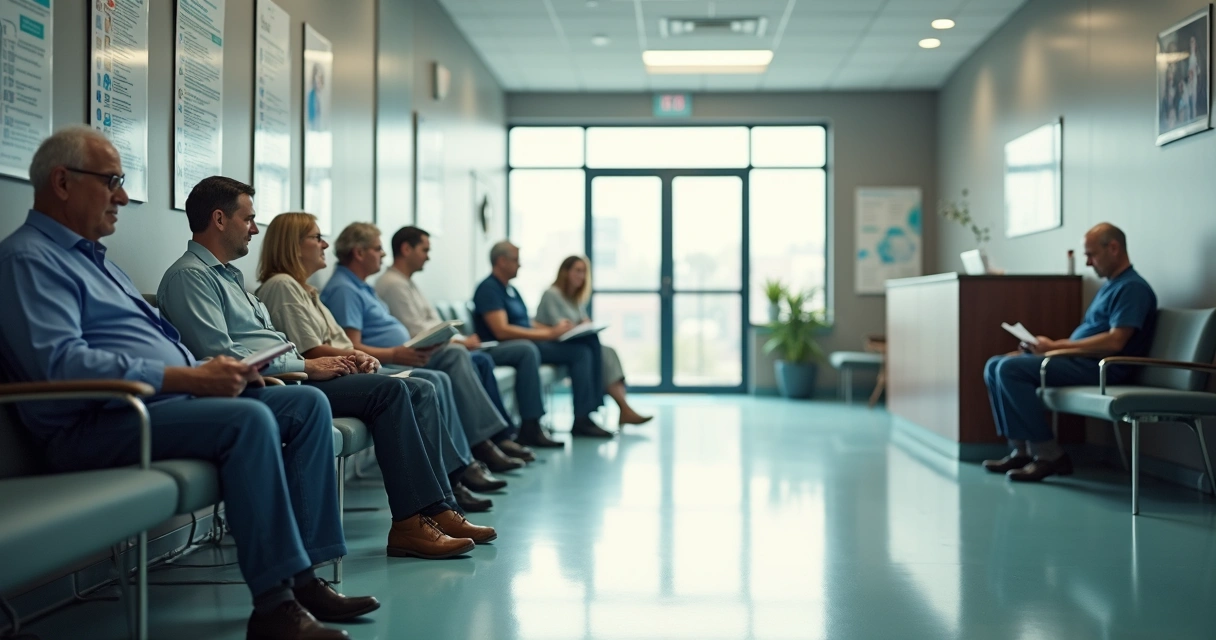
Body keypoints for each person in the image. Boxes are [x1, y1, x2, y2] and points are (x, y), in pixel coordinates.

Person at [0, 127, 378, 639]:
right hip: (96, 421)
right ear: (63, 182)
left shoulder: (97, 261)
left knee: (306, 404)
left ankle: (307, 576)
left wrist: (210, 377)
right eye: (111, 182)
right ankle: (275, 605)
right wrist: (189, 377)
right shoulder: (29, 259)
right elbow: (60, 364)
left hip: (159, 405)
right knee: (247, 421)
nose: (122, 197)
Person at [157, 176, 496, 553]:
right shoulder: (190, 277)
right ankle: (414, 521)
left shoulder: (230, 278)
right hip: (271, 384)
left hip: (290, 375)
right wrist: (306, 366)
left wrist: (317, 362)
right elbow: (222, 357)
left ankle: (435, 510)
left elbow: (271, 344)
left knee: (407, 387)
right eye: (248, 219)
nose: (254, 229)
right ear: (219, 219)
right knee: (391, 391)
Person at [254, 214, 503, 512]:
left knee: (431, 381)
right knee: (424, 385)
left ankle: (450, 489)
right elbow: (311, 351)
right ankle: (445, 497)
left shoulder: (307, 289)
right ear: (293, 245)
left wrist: (360, 356)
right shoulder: (284, 286)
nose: (325, 244)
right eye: (316, 238)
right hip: (326, 379)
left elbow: (336, 343)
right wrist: (365, 356)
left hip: (348, 371)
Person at [319, 222, 529, 476]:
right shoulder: (346, 289)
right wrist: (395, 353)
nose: (383, 254)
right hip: (387, 361)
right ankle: (468, 460)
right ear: (359, 253)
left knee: (457, 367)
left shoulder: (362, 286)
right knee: (449, 364)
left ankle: (469, 458)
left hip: (399, 355)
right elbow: (350, 346)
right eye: (377, 248)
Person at [982, 223, 1156, 482]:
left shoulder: (1132, 288)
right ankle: (1021, 451)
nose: (1088, 263)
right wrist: (1045, 349)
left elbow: (1115, 342)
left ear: (1114, 248)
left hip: (1104, 367)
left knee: (1009, 370)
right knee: (995, 365)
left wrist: (1053, 348)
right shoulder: (1111, 286)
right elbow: (1088, 338)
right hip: (1079, 361)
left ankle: (1049, 455)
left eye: (1091, 255)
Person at [376, 226, 552, 454]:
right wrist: (460, 342)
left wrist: (461, 339)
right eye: (424, 250)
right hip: (417, 355)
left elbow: (434, 323)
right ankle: (488, 440)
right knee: (470, 356)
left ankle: (497, 436)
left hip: (433, 349)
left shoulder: (407, 283)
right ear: (406, 249)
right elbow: (417, 330)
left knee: (481, 361)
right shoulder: (393, 284)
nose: (428, 257)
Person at [473, 241, 613, 438]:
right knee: (530, 350)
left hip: (524, 342)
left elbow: (527, 322)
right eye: (516, 260)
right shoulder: (488, 289)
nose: (520, 264)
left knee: (585, 347)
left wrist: (555, 330)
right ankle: (531, 425)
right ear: (501, 261)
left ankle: (584, 415)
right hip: (501, 347)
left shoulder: (511, 290)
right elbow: (501, 331)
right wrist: (548, 335)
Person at [536, 255, 653, 427]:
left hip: (573, 343)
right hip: (552, 344)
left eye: (584, 272)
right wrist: (578, 325)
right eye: (577, 271)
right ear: (565, 272)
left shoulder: (574, 298)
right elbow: (558, 327)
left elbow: (577, 322)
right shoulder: (551, 294)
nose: (581, 276)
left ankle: (622, 407)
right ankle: (595, 408)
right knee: (588, 350)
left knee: (608, 352)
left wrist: (584, 324)